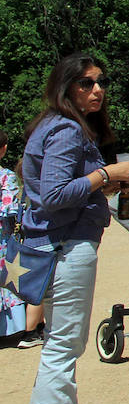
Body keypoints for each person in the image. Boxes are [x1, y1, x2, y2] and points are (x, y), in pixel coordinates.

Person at [20, 52, 129, 404]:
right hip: (66, 248)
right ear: (66, 86)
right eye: (86, 83)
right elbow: (54, 195)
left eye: (100, 82)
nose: (97, 90)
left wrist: (105, 180)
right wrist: (106, 175)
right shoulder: (67, 130)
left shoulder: (49, 126)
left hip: (51, 247)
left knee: (56, 350)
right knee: (62, 353)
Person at [2, 128, 46, 343]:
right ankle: (28, 331)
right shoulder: (6, 177)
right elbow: (10, 211)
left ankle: (36, 327)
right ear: (4, 150)